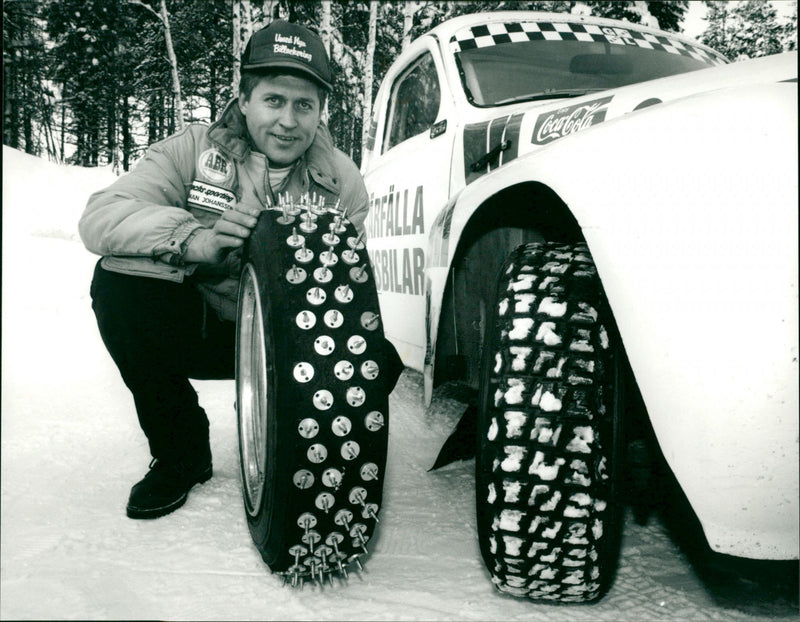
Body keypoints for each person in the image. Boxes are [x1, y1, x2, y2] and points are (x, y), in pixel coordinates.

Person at [79, 20, 370, 519]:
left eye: (305, 106)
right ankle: (180, 454)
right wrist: (197, 240)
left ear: (321, 111)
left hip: (289, 339)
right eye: (274, 100)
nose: (288, 121)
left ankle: (292, 447)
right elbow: (102, 216)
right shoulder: (190, 150)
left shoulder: (340, 180)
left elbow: (352, 292)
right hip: (205, 327)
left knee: (374, 358)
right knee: (118, 285)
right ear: (244, 97)